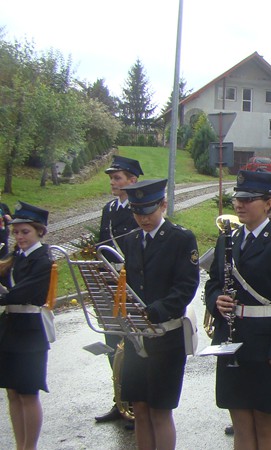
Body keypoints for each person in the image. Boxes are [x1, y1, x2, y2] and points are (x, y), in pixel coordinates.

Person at [206, 170, 271, 449]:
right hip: (232, 342)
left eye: (248, 199)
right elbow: (213, 282)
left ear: (269, 203)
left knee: (266, 424)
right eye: (237, 198)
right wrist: (216, 300)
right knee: (240, 423)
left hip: (267, 346)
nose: (239, 204)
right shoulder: (227, 239)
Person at [117, 178, 200, 450]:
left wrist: (156, 311)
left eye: (149, 211)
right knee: (140, 409)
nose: (143, 218)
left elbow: (186, 286)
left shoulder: (180, 238)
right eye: (137, 212)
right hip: (137, 337)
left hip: (166, 335)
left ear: (163, 205)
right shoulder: (131, 239)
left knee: (160, 411)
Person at [94, 154, 144, 425]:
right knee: (113, 342)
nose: (113, 182)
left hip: (131, 284)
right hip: (110, 283)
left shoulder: (139, 209)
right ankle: (119, 400)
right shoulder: (110, 208)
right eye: (112, 178)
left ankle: (135, 403)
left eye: (117, 178)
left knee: (132, 344)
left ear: (132, 180)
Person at [0, 202, 53, 450]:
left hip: (31, 332)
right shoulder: (15, 257)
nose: (20, 237)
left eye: (25, 232)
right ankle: (19, 444)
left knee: (28, 392)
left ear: (39, 231)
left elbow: (20, 293)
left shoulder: (43, 260)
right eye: (16, 232)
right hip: (9, 329)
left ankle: (28, 446)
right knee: (12, 392)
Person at [0, 194, 12, 260]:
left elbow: (10, 219)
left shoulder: (3, 206)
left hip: (3, 234)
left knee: (3, 253)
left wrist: (8, 217)